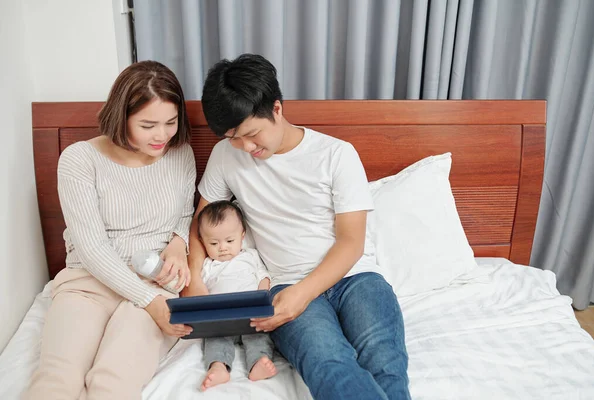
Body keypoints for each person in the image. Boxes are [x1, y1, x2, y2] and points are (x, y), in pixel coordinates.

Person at [183, 53, 411, 400]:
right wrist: (196, 281)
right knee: (328, 362)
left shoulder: (337, 154)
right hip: (284, 284)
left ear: (276, 108)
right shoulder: (225, 156)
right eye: (233, 137)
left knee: (384, 360)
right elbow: (201, 225)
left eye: (252, 133)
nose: (246, 147)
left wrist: (303, 295)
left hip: (355, 278)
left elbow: (351, 243)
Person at [25, 60, 196, 400]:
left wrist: (178, 242)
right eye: (148, 125)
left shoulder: (181, 153)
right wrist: (149, 301)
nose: (162, 135)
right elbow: (91, 248)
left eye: (171, 122)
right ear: (122, 117)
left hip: (155, 280)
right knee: (58, 379)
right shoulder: (79, 159)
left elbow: (185, 211)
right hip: (89, 281)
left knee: (113, 382)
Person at [196, 200, 277, 391]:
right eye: (214, 243)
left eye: (229, 241)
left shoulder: (250, 256)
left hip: (251, 315)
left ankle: (258, 362)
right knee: (215, 339)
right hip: (221, 320)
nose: (222, 248)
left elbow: (264, 278)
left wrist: (262, 299)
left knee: (259, 336)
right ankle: (218, 366)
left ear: (242, 236)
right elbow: (200, 291)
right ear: (202, 242)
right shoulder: (208, 265)